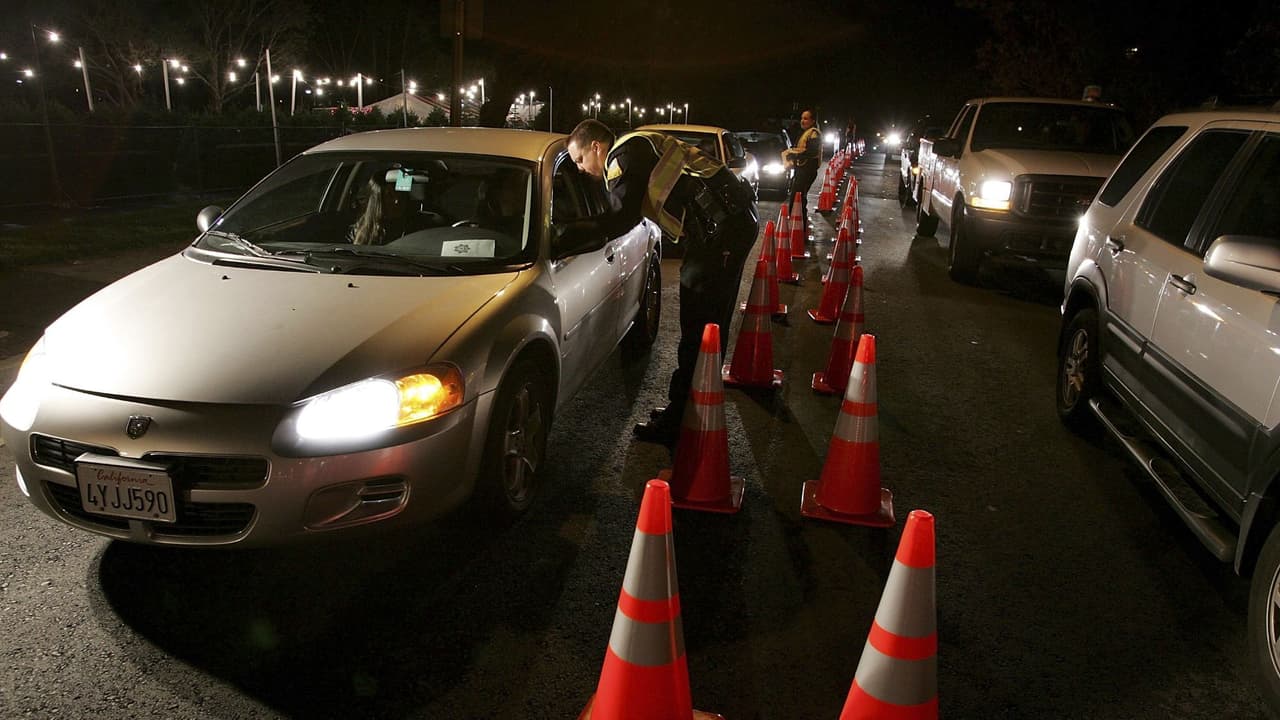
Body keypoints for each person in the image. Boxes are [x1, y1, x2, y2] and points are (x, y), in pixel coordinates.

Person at [566, 118, 758, 446]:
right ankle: (690, 409)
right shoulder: (638, 145)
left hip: (721, 230)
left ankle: (682, 421)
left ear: (596, 147)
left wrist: (567, 235)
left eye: (580, 160)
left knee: (700, 325)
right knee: (708, 324)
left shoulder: (624, 156)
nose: (581, 170)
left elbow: (620, 216)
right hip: (727, 224)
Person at [782, 109, 822, 237]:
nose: (802, 121)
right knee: (797, 199)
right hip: (802, 170)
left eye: (806, 118)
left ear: (812, 121)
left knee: (798, 199)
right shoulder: (804, 132)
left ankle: (800, 229)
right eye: (801, 118)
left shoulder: (813, 133)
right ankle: (798, 228)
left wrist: (794, 156)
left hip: (807, 171)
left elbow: (811, 152)